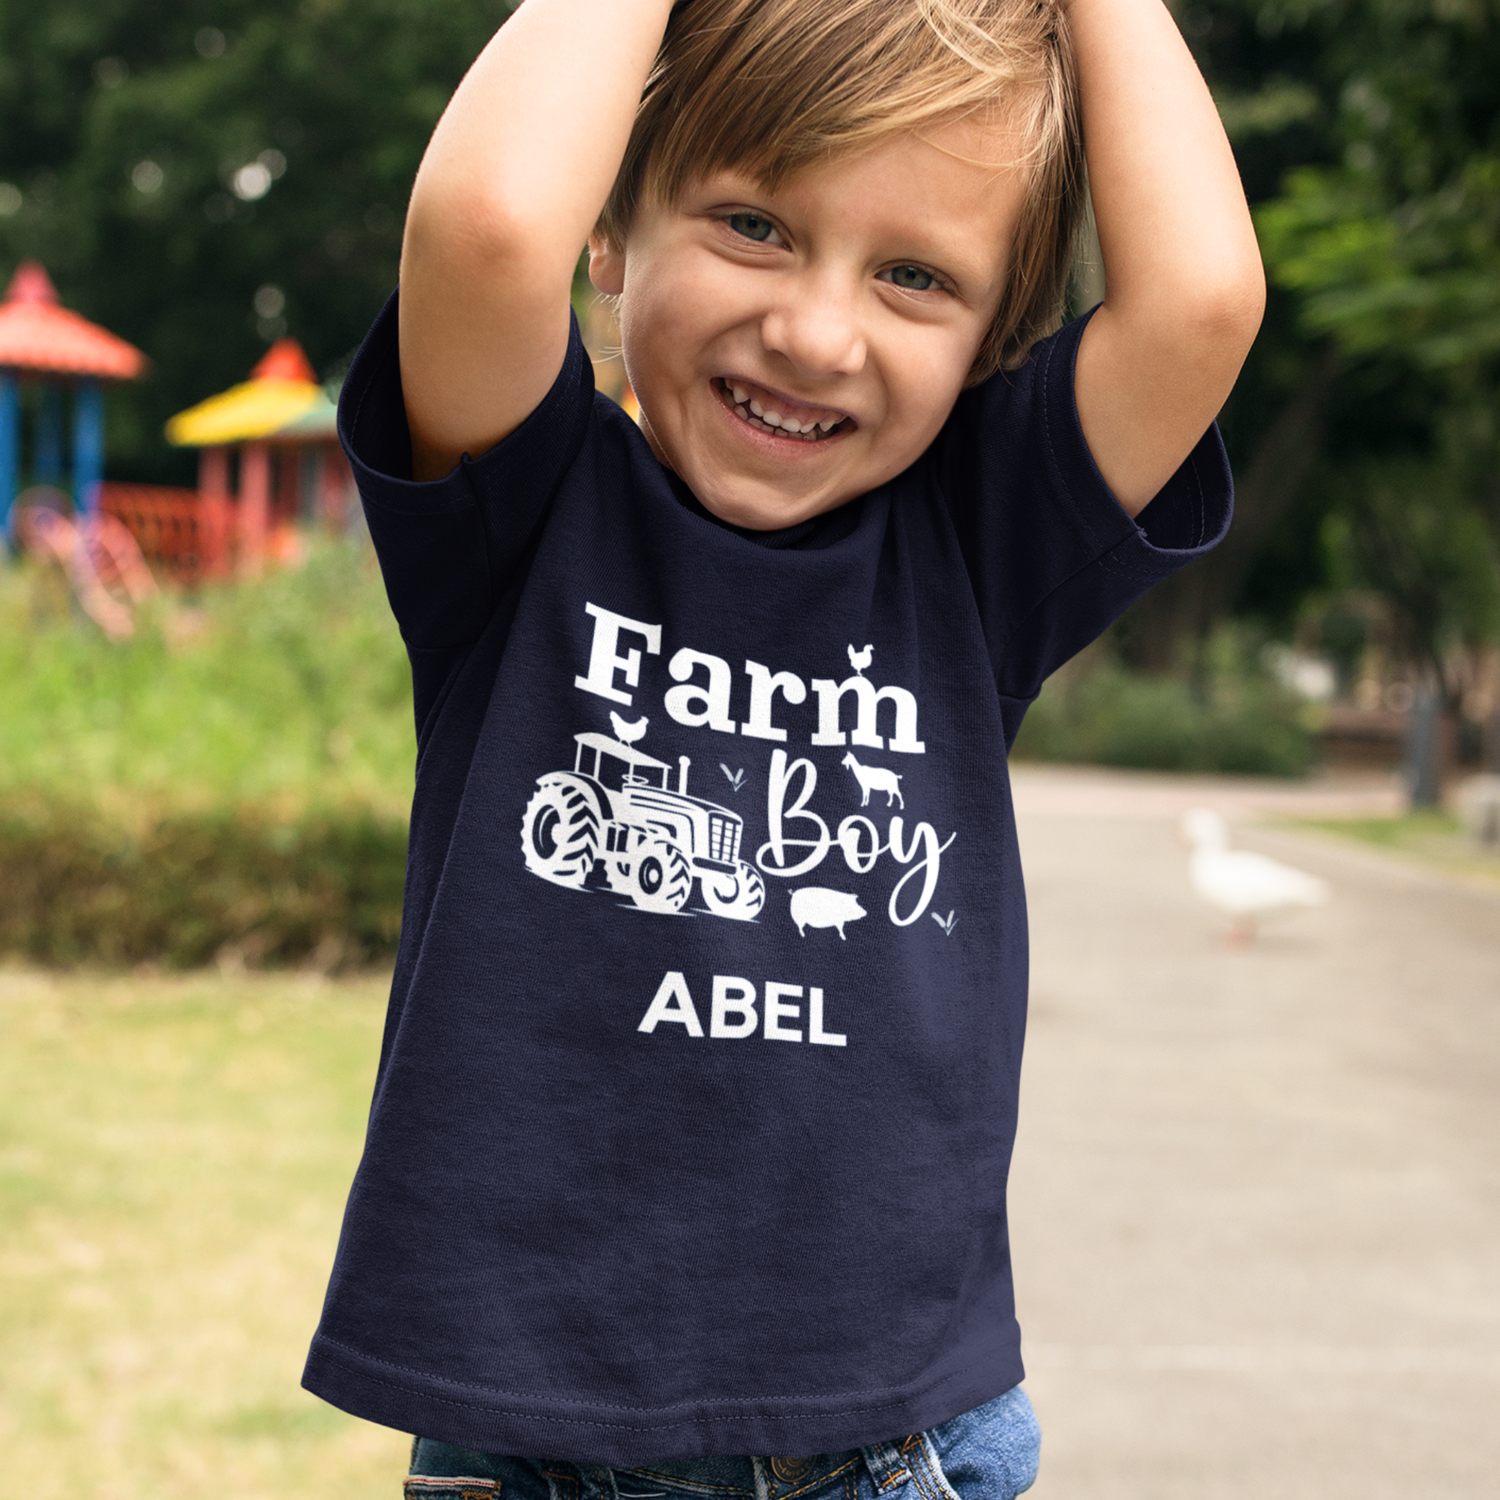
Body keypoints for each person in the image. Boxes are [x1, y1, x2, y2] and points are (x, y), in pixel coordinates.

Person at [304, 0, 1262, 1495]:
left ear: (992, 344)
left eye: (915, 277)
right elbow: (487, 221)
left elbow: (1200, 298)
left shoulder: (976, 553)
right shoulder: (521, 514)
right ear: (610, 238)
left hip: (893, 1451)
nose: (817, 332)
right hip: (533, 1447)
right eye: (753, 222)